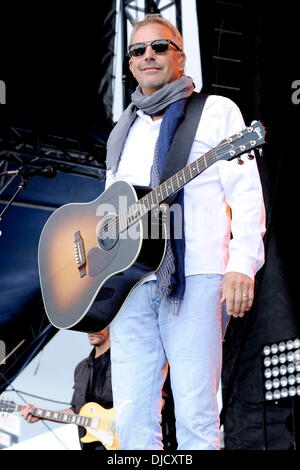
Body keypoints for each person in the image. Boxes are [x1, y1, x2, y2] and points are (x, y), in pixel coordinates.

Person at [105, 14, 266, 450]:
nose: (148, 56)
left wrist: (242, 264)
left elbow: (247, 192)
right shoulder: (124, 131)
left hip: (194, 272)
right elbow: (109, 212)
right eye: (138, 51)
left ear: (181, 57)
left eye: (160, 47)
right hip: (130, 285)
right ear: (131, 65)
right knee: (133, 416)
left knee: (195, 411)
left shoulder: (215, 112)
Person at [21, 328, 112, 450]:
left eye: (97, 325)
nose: (90, 329)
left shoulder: (123, 361)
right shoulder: (81, 368)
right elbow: (75, 411)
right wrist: (41, 414)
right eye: (88, 325)